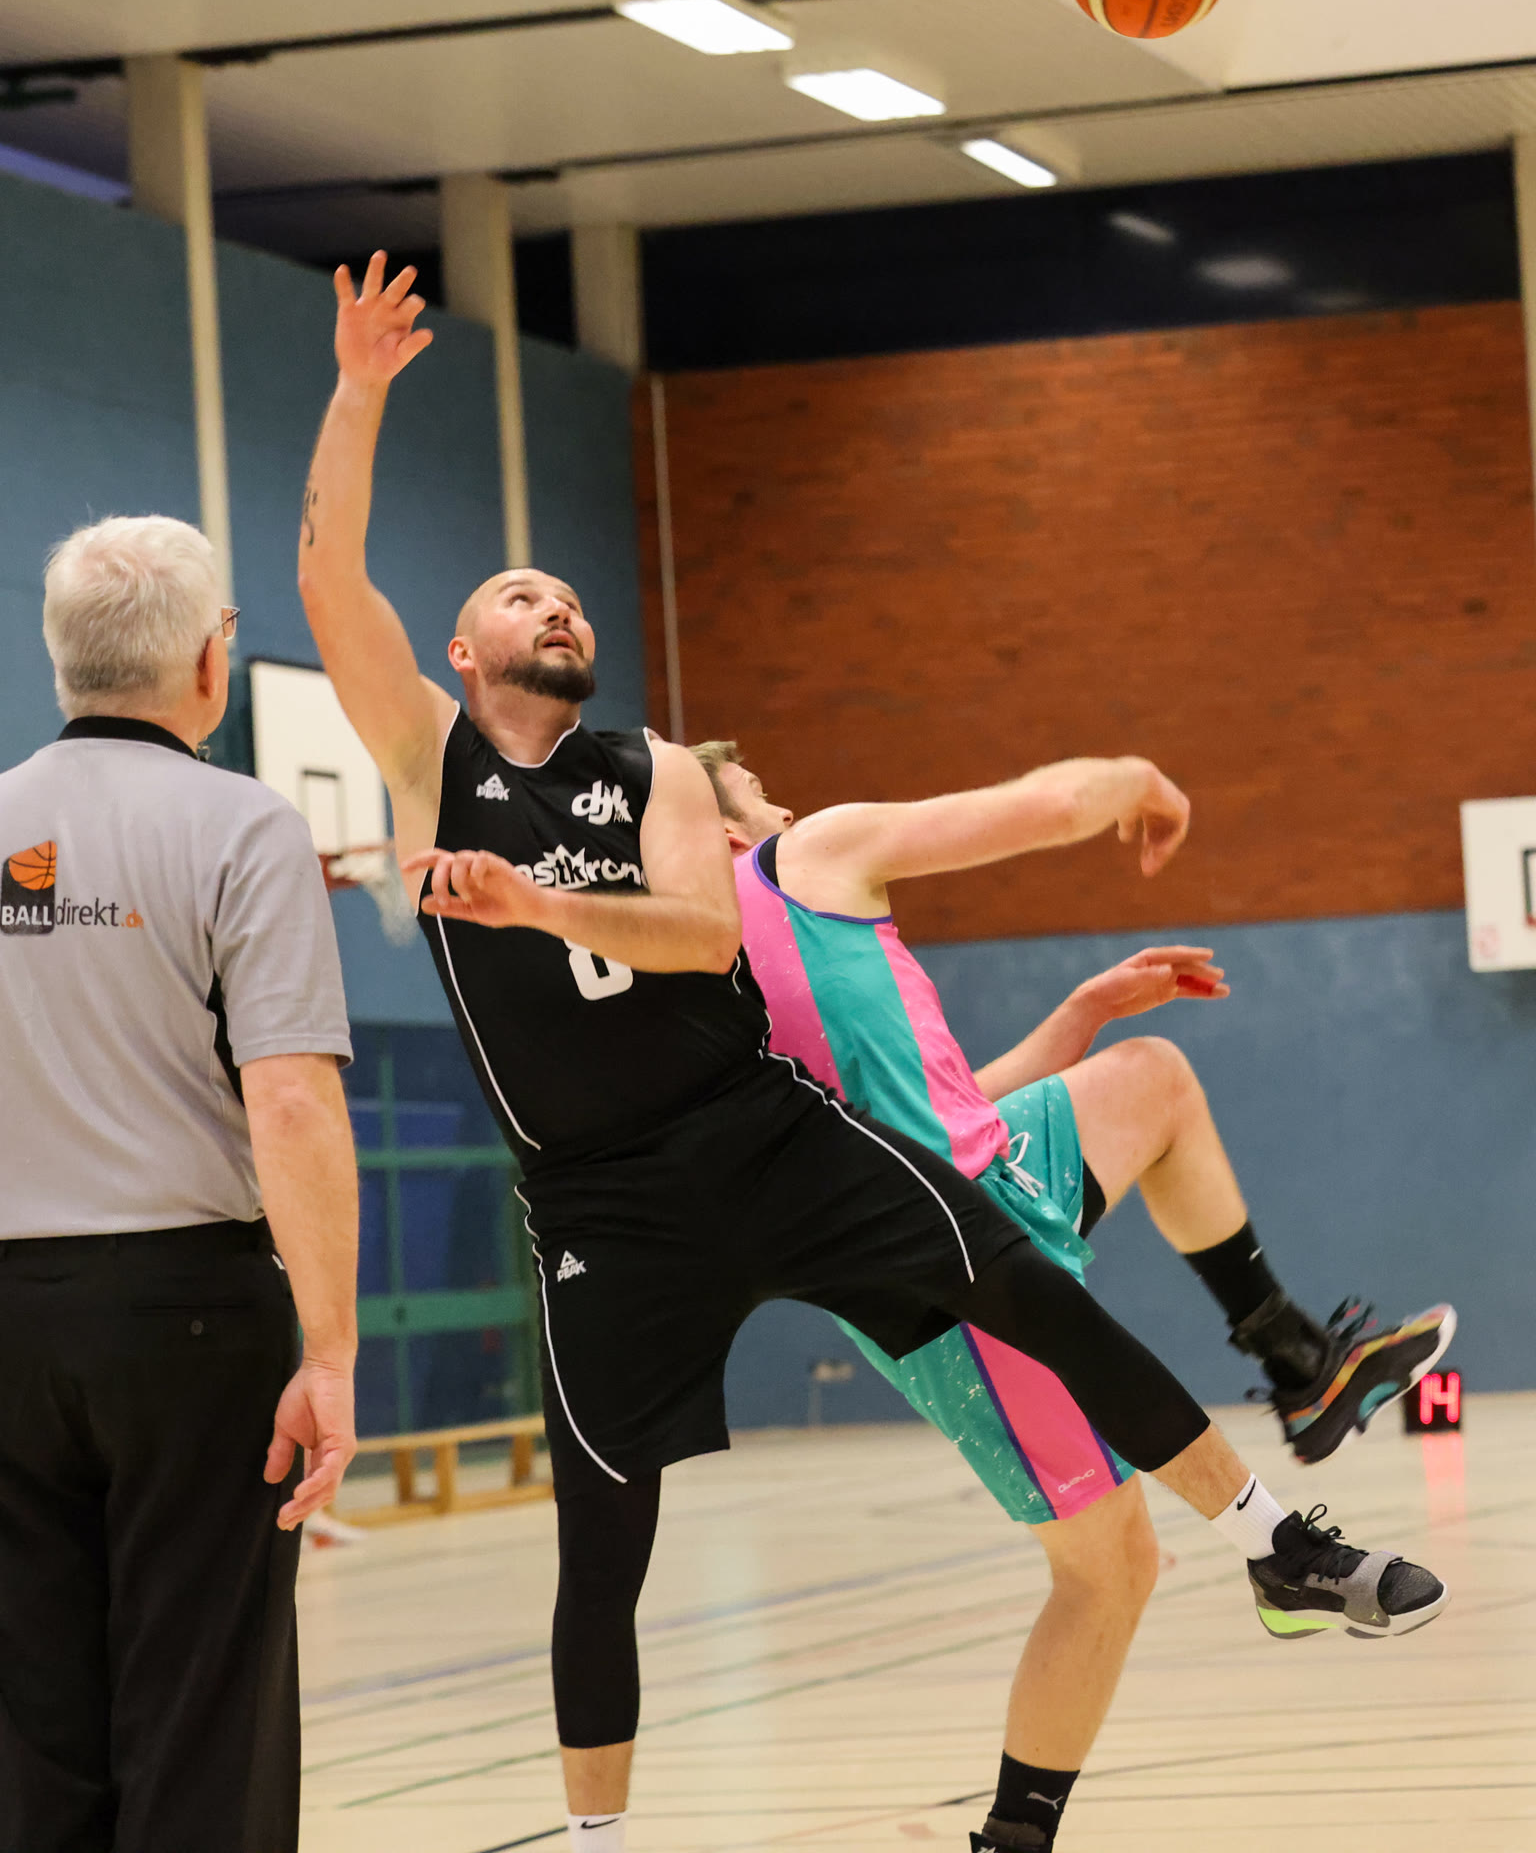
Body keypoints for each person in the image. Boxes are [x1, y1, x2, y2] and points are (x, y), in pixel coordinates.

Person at [297, 253, 1447, 1853]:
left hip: (755, 1129)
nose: (555, 604)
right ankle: (599, 1845)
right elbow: (326, 577)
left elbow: (696, 937)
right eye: (519, 596)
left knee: (1025, 1281)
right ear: (464, 652)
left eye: (569, 594)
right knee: (601, 1541)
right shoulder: (429, 763)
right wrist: (357, 389)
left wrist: (532, 903)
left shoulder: (659, 771)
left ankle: (1276, 1534)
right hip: (600, 1201)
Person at [694, 738, 1454, 1853]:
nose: (785, 801)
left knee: (1154, 1077)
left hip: (995, 1161)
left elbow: (952, 1097)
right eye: (760, 791)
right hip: (940, 1260)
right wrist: (1134, 779)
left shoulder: (708, 980)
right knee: (1109, 1570)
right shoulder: (802, 859)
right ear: (725, 828)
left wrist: (1085, 1009)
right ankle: (1018, 1834)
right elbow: (1042, 807)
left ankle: (1301, 1363)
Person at [0, 516, 360, 1853]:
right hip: (189, 1317)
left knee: (29, 1732)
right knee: (203, 1711)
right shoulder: (244, 824)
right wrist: (330, 1349)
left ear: (61, 657)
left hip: (8, 1320)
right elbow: (291, 1099)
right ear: (213, 661)